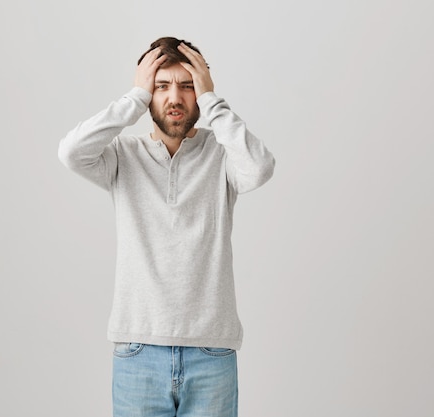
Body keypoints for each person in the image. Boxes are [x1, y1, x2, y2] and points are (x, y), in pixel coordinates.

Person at [58, 36, 275, 417]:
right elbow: (71, 152)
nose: (175, 97)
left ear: (201, 91)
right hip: (137, 350)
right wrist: (133, 99)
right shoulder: (123, 156)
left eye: (187, 85)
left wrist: (213, 102)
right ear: (147, 93)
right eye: (162, 86)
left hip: (212, 350)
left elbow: (260, 168)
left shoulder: (222, 155)